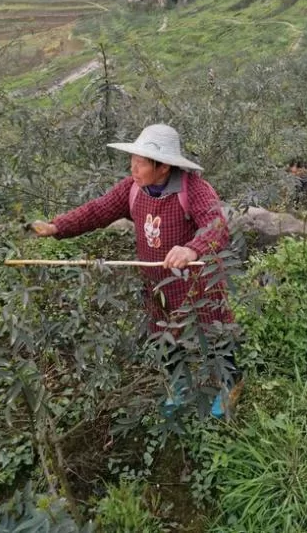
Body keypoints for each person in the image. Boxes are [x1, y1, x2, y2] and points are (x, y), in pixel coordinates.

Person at [30, 123, 237, 417]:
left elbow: (216, 224)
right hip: (157, 286)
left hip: (196, 285)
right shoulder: (133, 190)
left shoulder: (194, 190)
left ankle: (230, 381)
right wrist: (58, 225)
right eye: (133, 160)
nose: (134, 167)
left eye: (141, 162)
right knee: (164, 334)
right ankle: (179, 385)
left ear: (164, 166)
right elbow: (98, 210)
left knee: (212, 331)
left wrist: (192, 249)